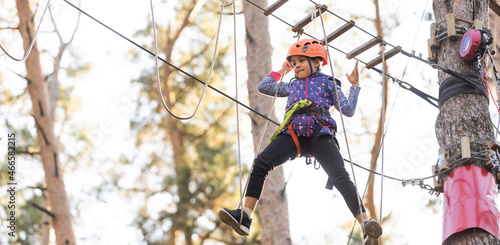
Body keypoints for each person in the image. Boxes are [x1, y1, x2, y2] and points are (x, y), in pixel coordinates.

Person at [219, 39, 383, 244]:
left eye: (300, 61)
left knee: (340, 177)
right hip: (292, 135)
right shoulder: (292, 84)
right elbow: (264, 86)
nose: (296, 65)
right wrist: (281, 70)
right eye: (293, 62)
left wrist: (355, 86)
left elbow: (348, 110)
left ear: (317, 62)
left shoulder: (328, 82)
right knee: (261, 162)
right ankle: (245, 216)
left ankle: (366, 225)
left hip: (320, 135)